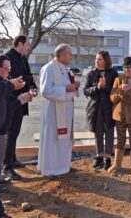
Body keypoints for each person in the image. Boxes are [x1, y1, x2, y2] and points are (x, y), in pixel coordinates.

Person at [38, 44, 80, 176]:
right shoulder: (49, 68)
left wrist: (74, 87)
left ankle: (63, 166)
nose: (71, 57)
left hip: (65, 111)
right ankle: (50, 169)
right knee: (52, 140)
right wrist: (66, 89)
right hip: (53, 112)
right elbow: (45, 91)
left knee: (64, 140)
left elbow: (67, 87)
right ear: (61, 55)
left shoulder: (65, 69)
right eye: (69, 55)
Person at [0, 56, 26, 218]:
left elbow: (7, 104)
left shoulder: (2, 82)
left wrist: (20, 100)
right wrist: (10, 85)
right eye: (7, 69)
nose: (9, 72)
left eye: (9, 69)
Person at [3, 35, 37, 180]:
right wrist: (31, 79)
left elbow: (27, 76)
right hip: (11, 102)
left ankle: (13, 158)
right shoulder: (7, 57)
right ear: (20, 44)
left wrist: (34, 87)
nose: (29, 47)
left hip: (22, 101)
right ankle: (7, 166)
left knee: (15, 132)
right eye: (27, 44)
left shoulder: (23, 58)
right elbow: (19, 78)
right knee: (10, 134)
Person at [84, 50, 118, 170]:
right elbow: (86, 91)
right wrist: (97, 88)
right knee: (98, 132)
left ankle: (107, 157)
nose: (96, 61)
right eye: (96, 59)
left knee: (109, 132)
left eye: (99, 59)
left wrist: (106, 87)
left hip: (109, 107)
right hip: (96, 107)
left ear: (105, 61)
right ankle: (98, 156)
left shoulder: (113, 73)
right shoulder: (91, 74)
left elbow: (116, 91)